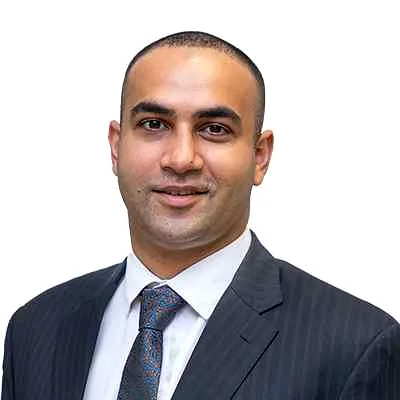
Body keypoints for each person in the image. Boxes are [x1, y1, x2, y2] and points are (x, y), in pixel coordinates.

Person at [1, 31, 399, 400]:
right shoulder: (35, 329)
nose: (181, 159)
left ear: (260, 156)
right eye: (153, 124)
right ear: (116, 147)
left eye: (214, 129)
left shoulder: (355, 346)